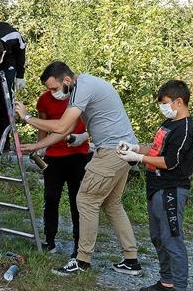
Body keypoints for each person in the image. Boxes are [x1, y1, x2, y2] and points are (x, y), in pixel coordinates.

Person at [17, 62, 142, 277]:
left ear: (66, 80)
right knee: (112, 204)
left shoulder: (83, 88)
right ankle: (131, 259)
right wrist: (37, 146)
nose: (52, 93)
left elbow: (60, 126)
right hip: (125, 149)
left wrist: (26, 117)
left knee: (85, 200)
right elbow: (65, 129)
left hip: (110, 151)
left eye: (54, 88)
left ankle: (82, 260)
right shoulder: (82, 86)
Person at [118, 81, 193, 291]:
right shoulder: (169, 124)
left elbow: (170, 161)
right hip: (155, 187)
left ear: (178, 102)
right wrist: (134, 148)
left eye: (164, 103)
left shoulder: (184, 129)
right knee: (157, 236)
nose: (163, 107)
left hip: (171, 189)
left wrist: (139, 160)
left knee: (172, 238)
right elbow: (155, 148)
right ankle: (167, 282)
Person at [14, 91, 90, 254]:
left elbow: (88, 124)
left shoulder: (78, 96)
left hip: (78, 154)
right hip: (53, 156)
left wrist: (82, 136)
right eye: (50, 87)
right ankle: (50, 241)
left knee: (77, 201)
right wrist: (38, 148)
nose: (54, 90)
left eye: (55, 86)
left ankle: (79, 246)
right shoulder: (44, 99)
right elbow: (43, 126)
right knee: (50, 198)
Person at [0, 22, 27, 151]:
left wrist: (20, 75)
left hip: (9, 59)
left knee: (5, 97)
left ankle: (4, 140)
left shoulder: (13, 36)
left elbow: (21, 51)